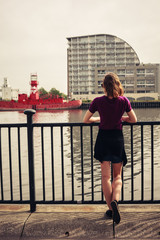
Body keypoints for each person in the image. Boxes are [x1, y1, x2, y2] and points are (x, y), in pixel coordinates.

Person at [83, 72, 137, 224]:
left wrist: (98, 119)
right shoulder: (123, 100)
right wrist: (123, 118)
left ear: (104, 87)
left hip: (103, 139)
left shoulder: (98, 101)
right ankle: (116, 200)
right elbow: (134, 120)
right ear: (117, 85)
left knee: (106, 177)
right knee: (117, 176)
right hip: (117, 139)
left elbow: (85, 120)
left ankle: (111, 210)